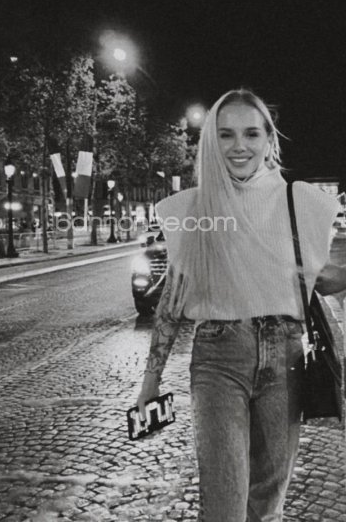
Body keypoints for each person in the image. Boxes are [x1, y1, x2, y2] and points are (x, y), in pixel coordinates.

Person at [136, 88, 346, 522]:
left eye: (251, 133)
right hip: (218, 359)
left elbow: (321, 279)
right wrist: (150, 381)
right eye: (225, 134)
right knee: (224, 507)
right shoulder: (194, 209)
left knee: (267, 505)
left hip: (286, 359)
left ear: (269, 139)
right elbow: (173, 300)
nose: (239, 146)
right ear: (211, 143)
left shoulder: (302, 202)